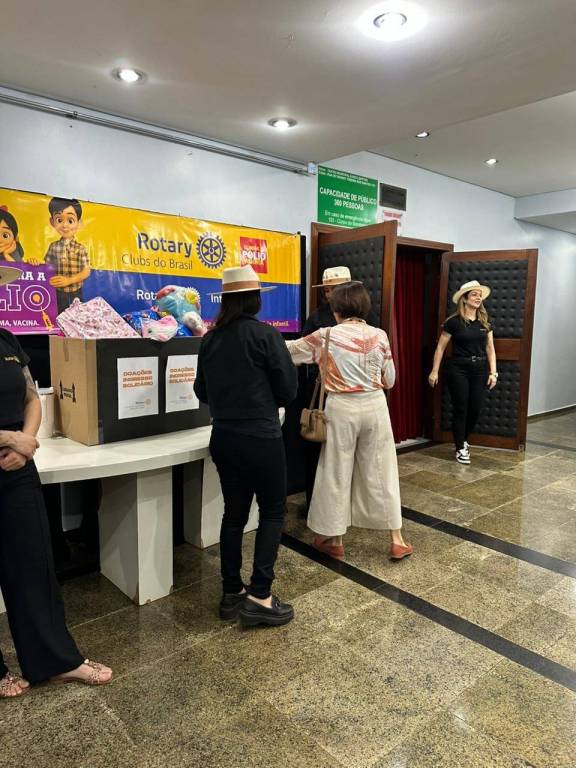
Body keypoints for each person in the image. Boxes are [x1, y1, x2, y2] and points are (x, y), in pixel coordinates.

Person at [0, 265, 112, 699]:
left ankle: (55, 661)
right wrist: (10, 438)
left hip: (17, 467)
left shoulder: (6, 339)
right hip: (10, 446)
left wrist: (26, 440)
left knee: (34, 567)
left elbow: (31, 396)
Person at [194, 265, 298, 628]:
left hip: (223, 437)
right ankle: (260, 596)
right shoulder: (266, 336)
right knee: (272, 512)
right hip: (261, 437)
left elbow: (201, 391)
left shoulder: (210, 339)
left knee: (233, 514)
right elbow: (288, 390)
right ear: (255, 300)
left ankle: (231, 592)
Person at [286, 281, 412, 561]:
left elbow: (291, 351)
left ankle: (335, 540)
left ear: (336, 308)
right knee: (382, 469)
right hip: (376, 406)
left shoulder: (327, 335)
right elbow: (390, 379)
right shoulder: (380, 335)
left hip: (341, 408)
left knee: (336, 471)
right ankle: (397, 539)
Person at [300, 266, 379, 512]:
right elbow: (302, 354)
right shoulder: (316, 318)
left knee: (352, 455)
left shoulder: (369, 319)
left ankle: (348, 507)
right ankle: (314, 505)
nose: (329, 294)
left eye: (334, 289)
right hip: (324, 393)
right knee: (318, 452)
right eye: (326, 290)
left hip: (358, 398)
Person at [428, 279, 497, 465]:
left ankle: (463, 440)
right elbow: (440, 348)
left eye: (480, 295)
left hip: (480, 369)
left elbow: (490, 349)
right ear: (464, 299)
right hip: (458, 368)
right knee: (461, 408)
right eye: (474, 295)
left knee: (475, 408)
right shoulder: (453, 322)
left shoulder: (485, 322)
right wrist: (434, 371)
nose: (478, 298)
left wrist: (494, 372)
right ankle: (460, 447)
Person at [43, 197, 91, 314]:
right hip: (58, 290)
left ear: (79, 223)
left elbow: (86, 271)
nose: (65, 225)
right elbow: (46, 266)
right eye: (59, 220)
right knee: (60, 314)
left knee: (77, 314)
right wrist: (34, 264)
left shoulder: (80, 248)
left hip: (76, 290)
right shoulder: (53, 246)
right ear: (52, 222)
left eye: (70, 221)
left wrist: (69, 280)